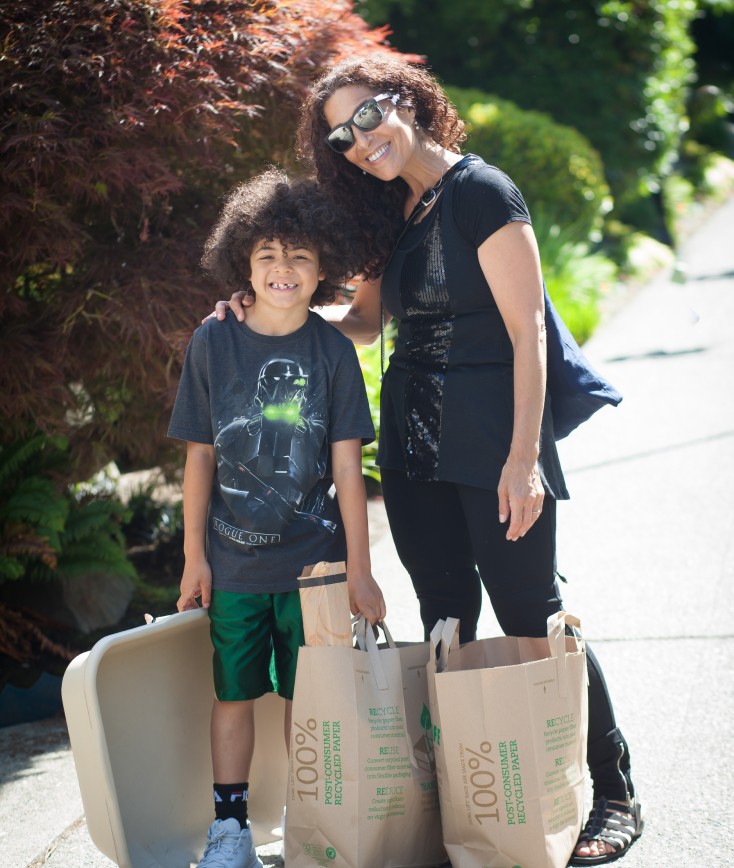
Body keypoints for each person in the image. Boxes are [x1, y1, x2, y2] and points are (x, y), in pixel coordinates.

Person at [212, 56, 643, 865]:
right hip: (411, 445)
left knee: (531, 613)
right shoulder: (387, 214)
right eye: (341, 135)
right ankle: (481, 794)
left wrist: (525, 460)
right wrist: (275, 314)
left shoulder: (483, 192)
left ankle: (613, 790)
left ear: (404, 99)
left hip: (492, 439)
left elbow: (528, 338)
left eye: (367, 118)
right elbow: (368, 324)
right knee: (447, 614)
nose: (359, 142)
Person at [170, 167, 386, 868]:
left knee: (309, 699)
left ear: (323, 267)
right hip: (233, 564)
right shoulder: (214, 342)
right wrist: (193, 556)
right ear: (244, 263)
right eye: (266, 254)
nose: (282, 269)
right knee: (233, 693)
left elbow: (350, 472)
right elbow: (199, 457)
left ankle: (309, 819)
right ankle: (229, 829)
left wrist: (361, 570)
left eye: (298, 255)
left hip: (315, 570)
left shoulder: (332, 353)